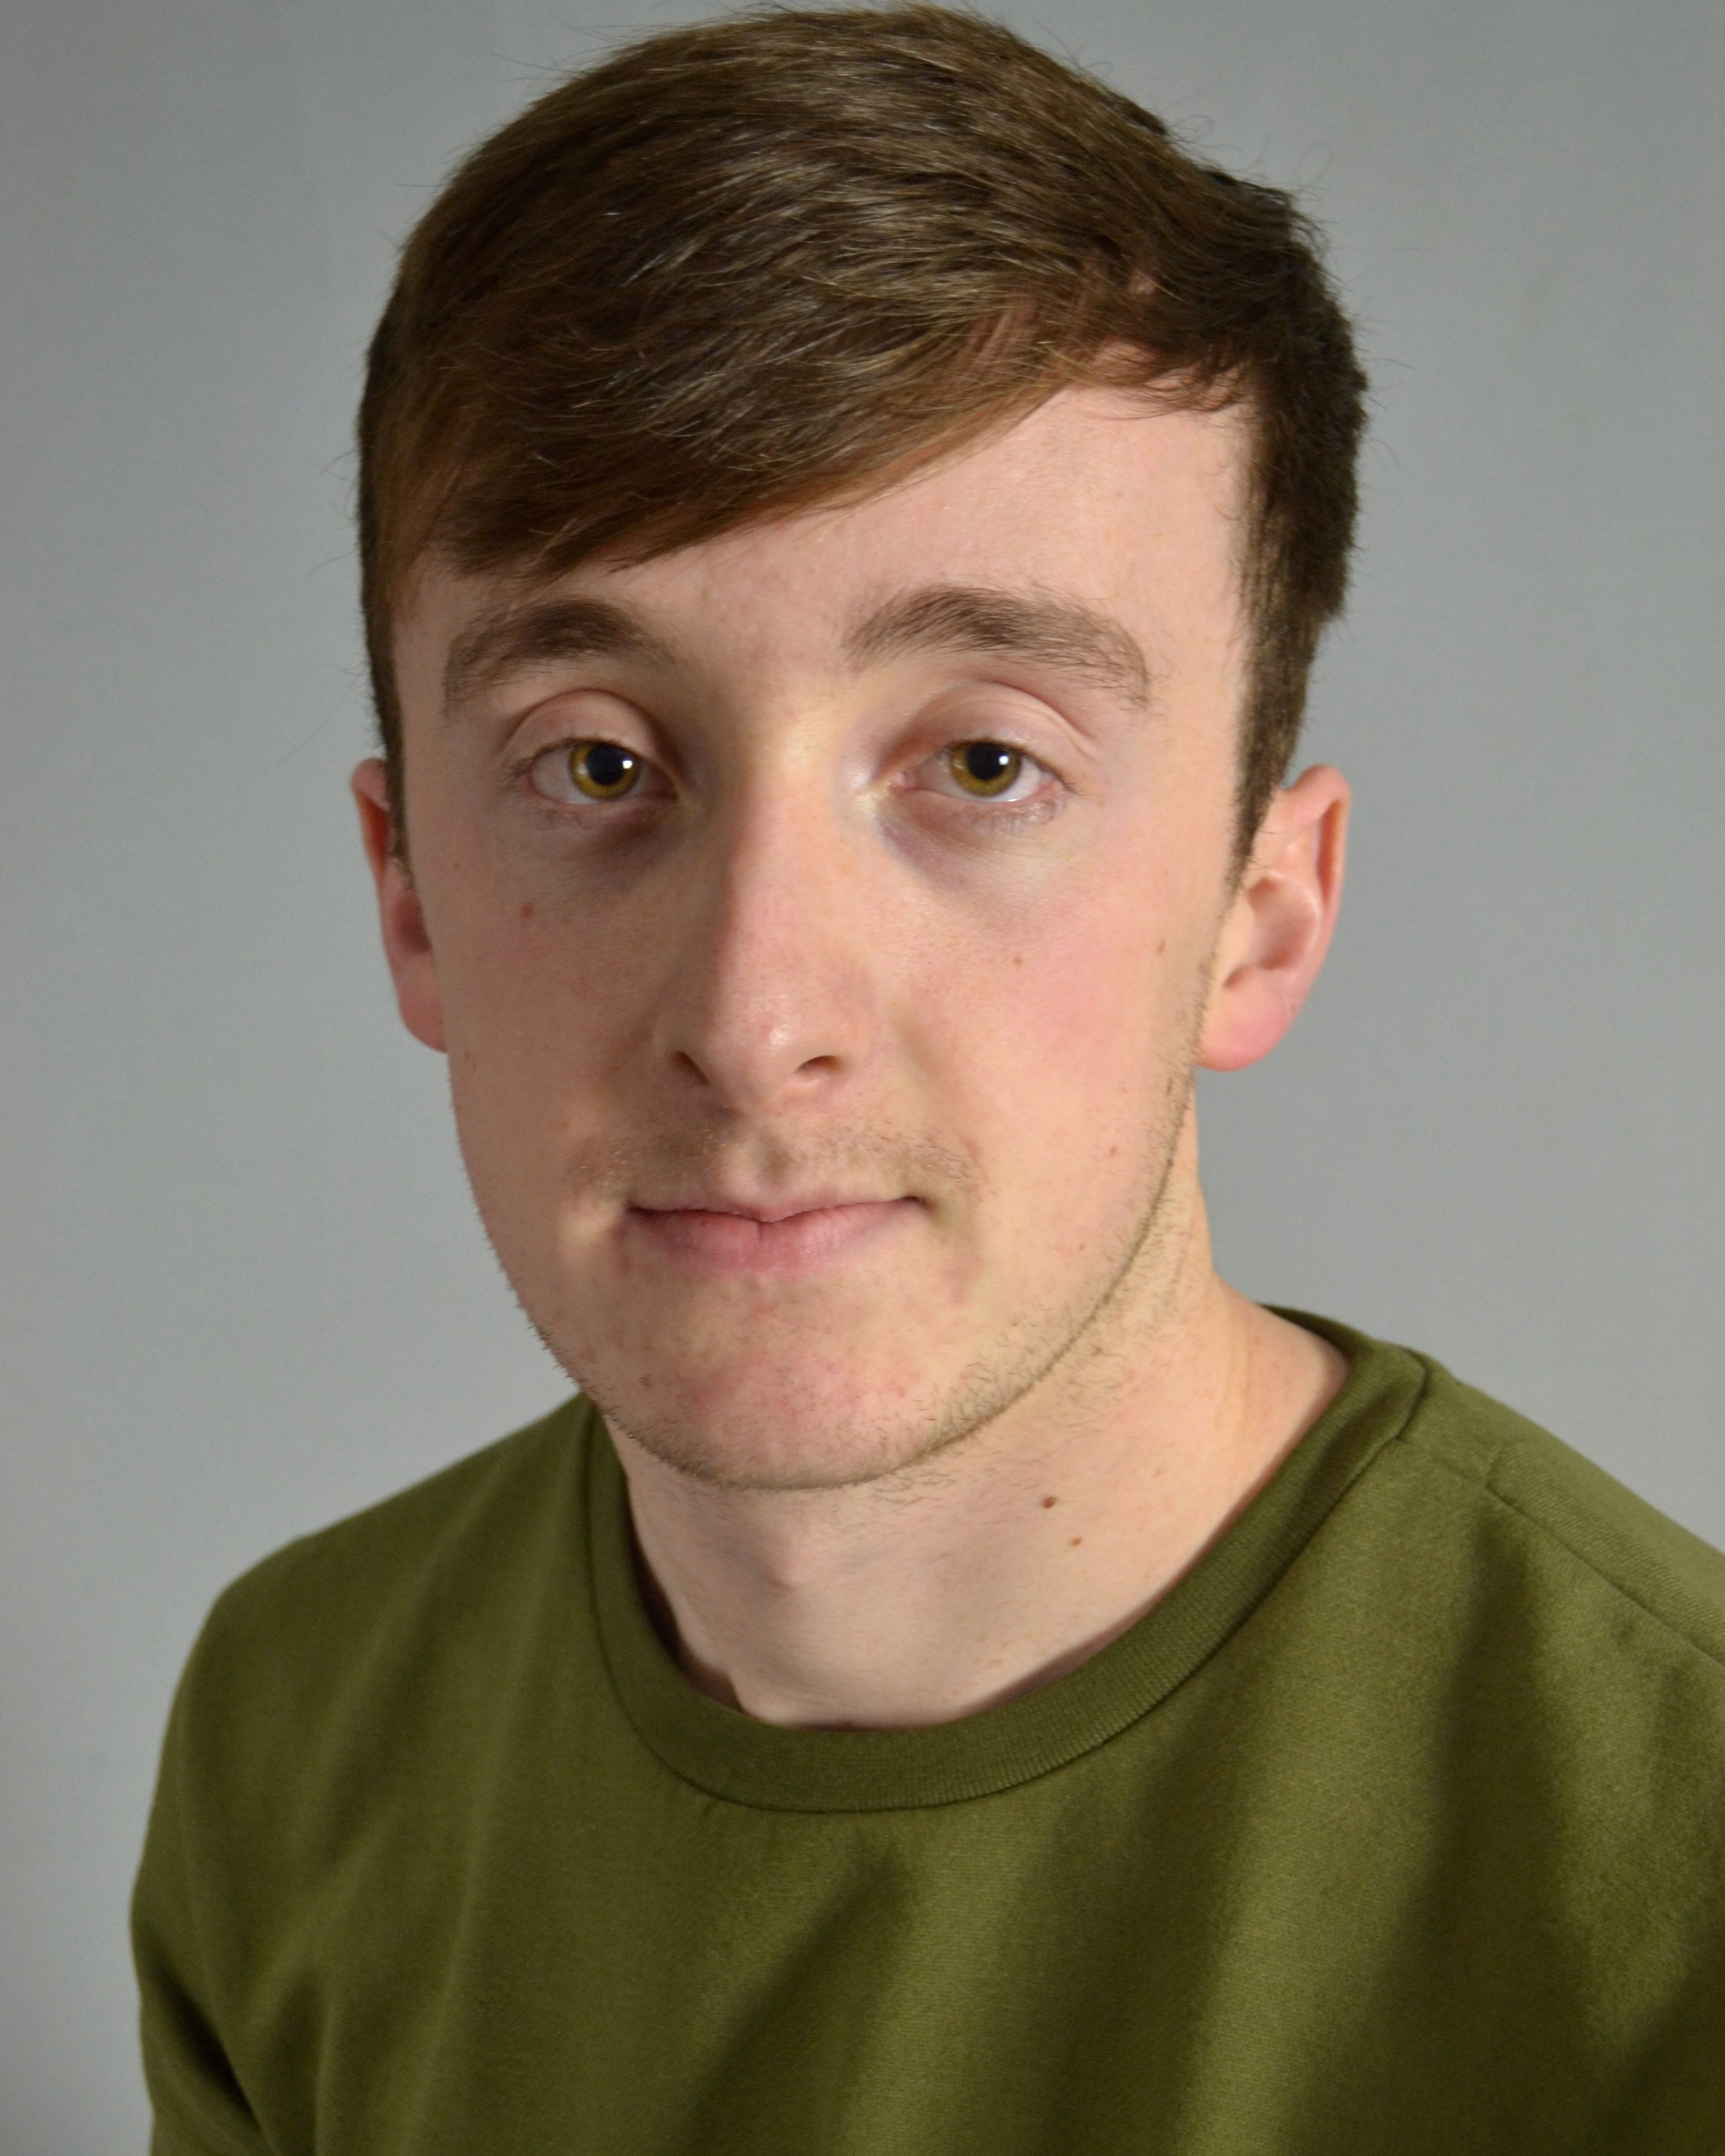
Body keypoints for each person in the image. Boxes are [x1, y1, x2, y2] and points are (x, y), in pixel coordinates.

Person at [131, 8, 1725, 2150]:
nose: (753, 1009)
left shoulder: (1674, 1870)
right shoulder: (293, 1733)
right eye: (594, 764)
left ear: (1259, 915)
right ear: (408, 893)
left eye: (981, 762)